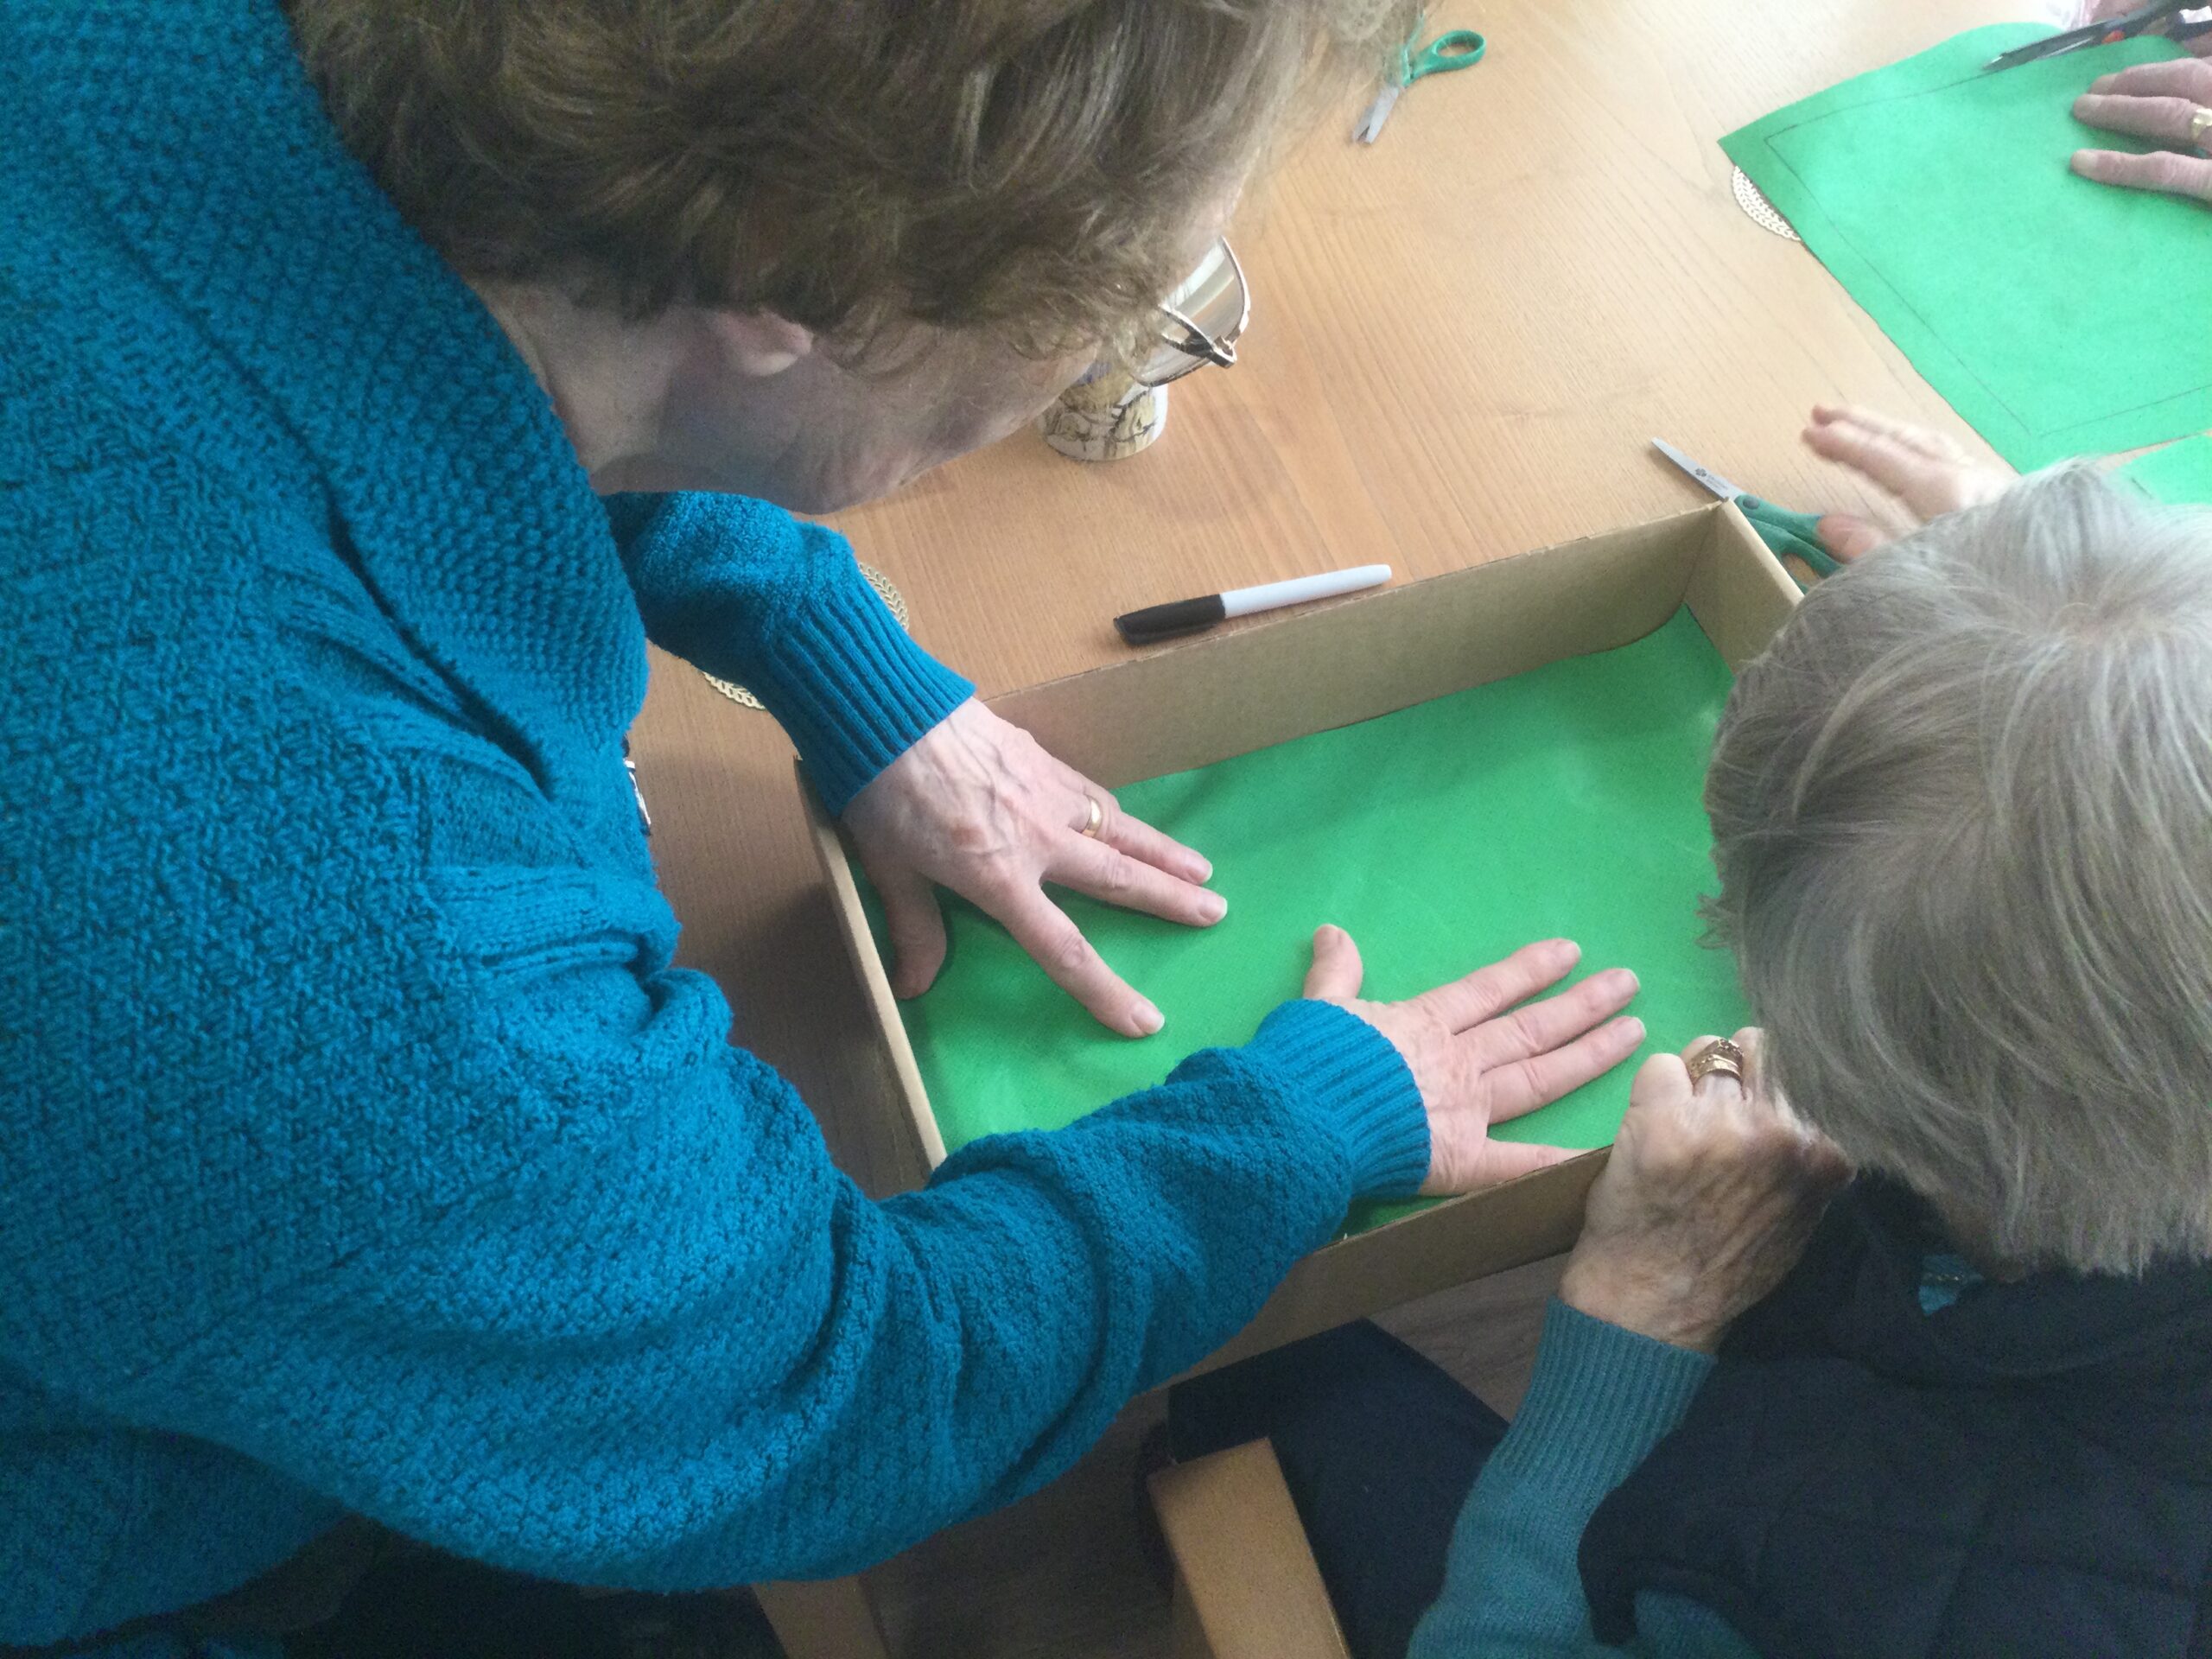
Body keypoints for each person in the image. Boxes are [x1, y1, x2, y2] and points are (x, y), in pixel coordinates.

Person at [0, 3, 1655, 1654]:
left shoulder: (156, 57)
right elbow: (842, 1391)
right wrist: (1303, 1124)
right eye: (1124, 299)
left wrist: (821, 637)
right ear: (801, 280)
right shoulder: (347, 958)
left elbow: (442, 337)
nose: (1096, 350)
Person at [1169, 412, 2212, 1658]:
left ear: (1854, 1094)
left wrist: (1645, 1311)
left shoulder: (1829, 1583)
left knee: (1267, 1373)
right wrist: (2063, 644)